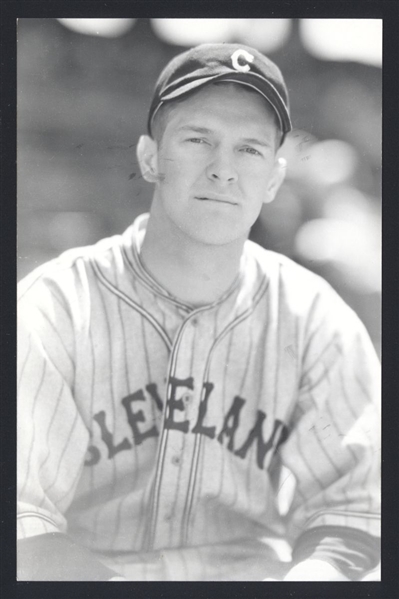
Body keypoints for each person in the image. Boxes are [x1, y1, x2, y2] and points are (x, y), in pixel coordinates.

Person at [17, 43, 381, 582]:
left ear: (275, 180)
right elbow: (21, 520)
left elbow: (356, 507)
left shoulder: (313, 317)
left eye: (249, 150)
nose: (223, 171)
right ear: (149, 158)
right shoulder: (56, 307)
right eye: (197, 140)